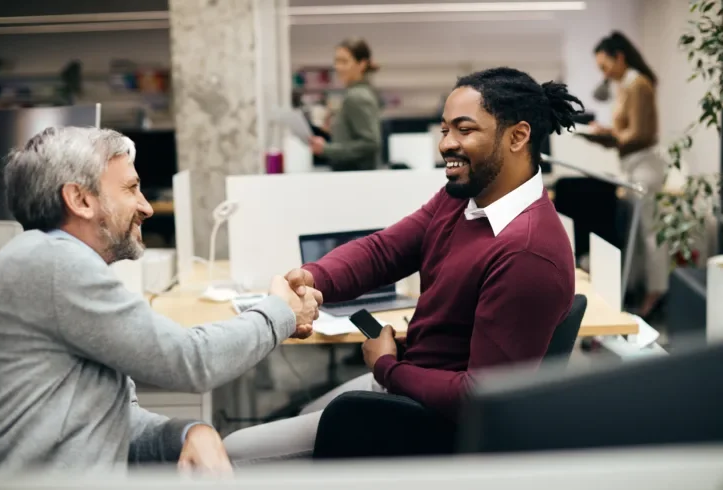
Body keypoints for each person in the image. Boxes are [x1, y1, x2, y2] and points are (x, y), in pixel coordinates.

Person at [224, 67, 584, 465]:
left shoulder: (526, 253)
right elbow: (384, 251)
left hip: (430, 423)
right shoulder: (464, 199)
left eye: (465, 130)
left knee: (231, 454)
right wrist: (314, 278)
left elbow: (478, 397)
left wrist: (387, 367)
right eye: (444, 130)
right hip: (410, 386)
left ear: (518, 136)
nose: (446, 144)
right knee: (306, 416)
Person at [0, 127, 322, 475]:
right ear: (80, 200)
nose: (146, 207)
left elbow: (114, 422)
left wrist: (188, 432)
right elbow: (189, 360)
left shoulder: (51, 262)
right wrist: (279, 312)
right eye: (131, 188)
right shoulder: (53, 262)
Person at [590, 31, 667, 319]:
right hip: (632, 166)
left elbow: (639, 133)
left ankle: (656, 292)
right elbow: (627, 131)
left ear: (619, 57)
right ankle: (642, 289)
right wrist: (606, 133)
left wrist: (606, 137)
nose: (604, 73)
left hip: (645, 166)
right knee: (637, 233)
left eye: (604, 66)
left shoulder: (637, 84)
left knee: (650, 234)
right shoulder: (626, 84)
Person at [309, 37, 382, 171]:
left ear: (362, 64)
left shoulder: (357, 96)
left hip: (355, 179)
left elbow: (370, 144)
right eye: (336, 61)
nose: (338, 67)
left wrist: (326, 149)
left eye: (344, 61)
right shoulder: (355, 93)